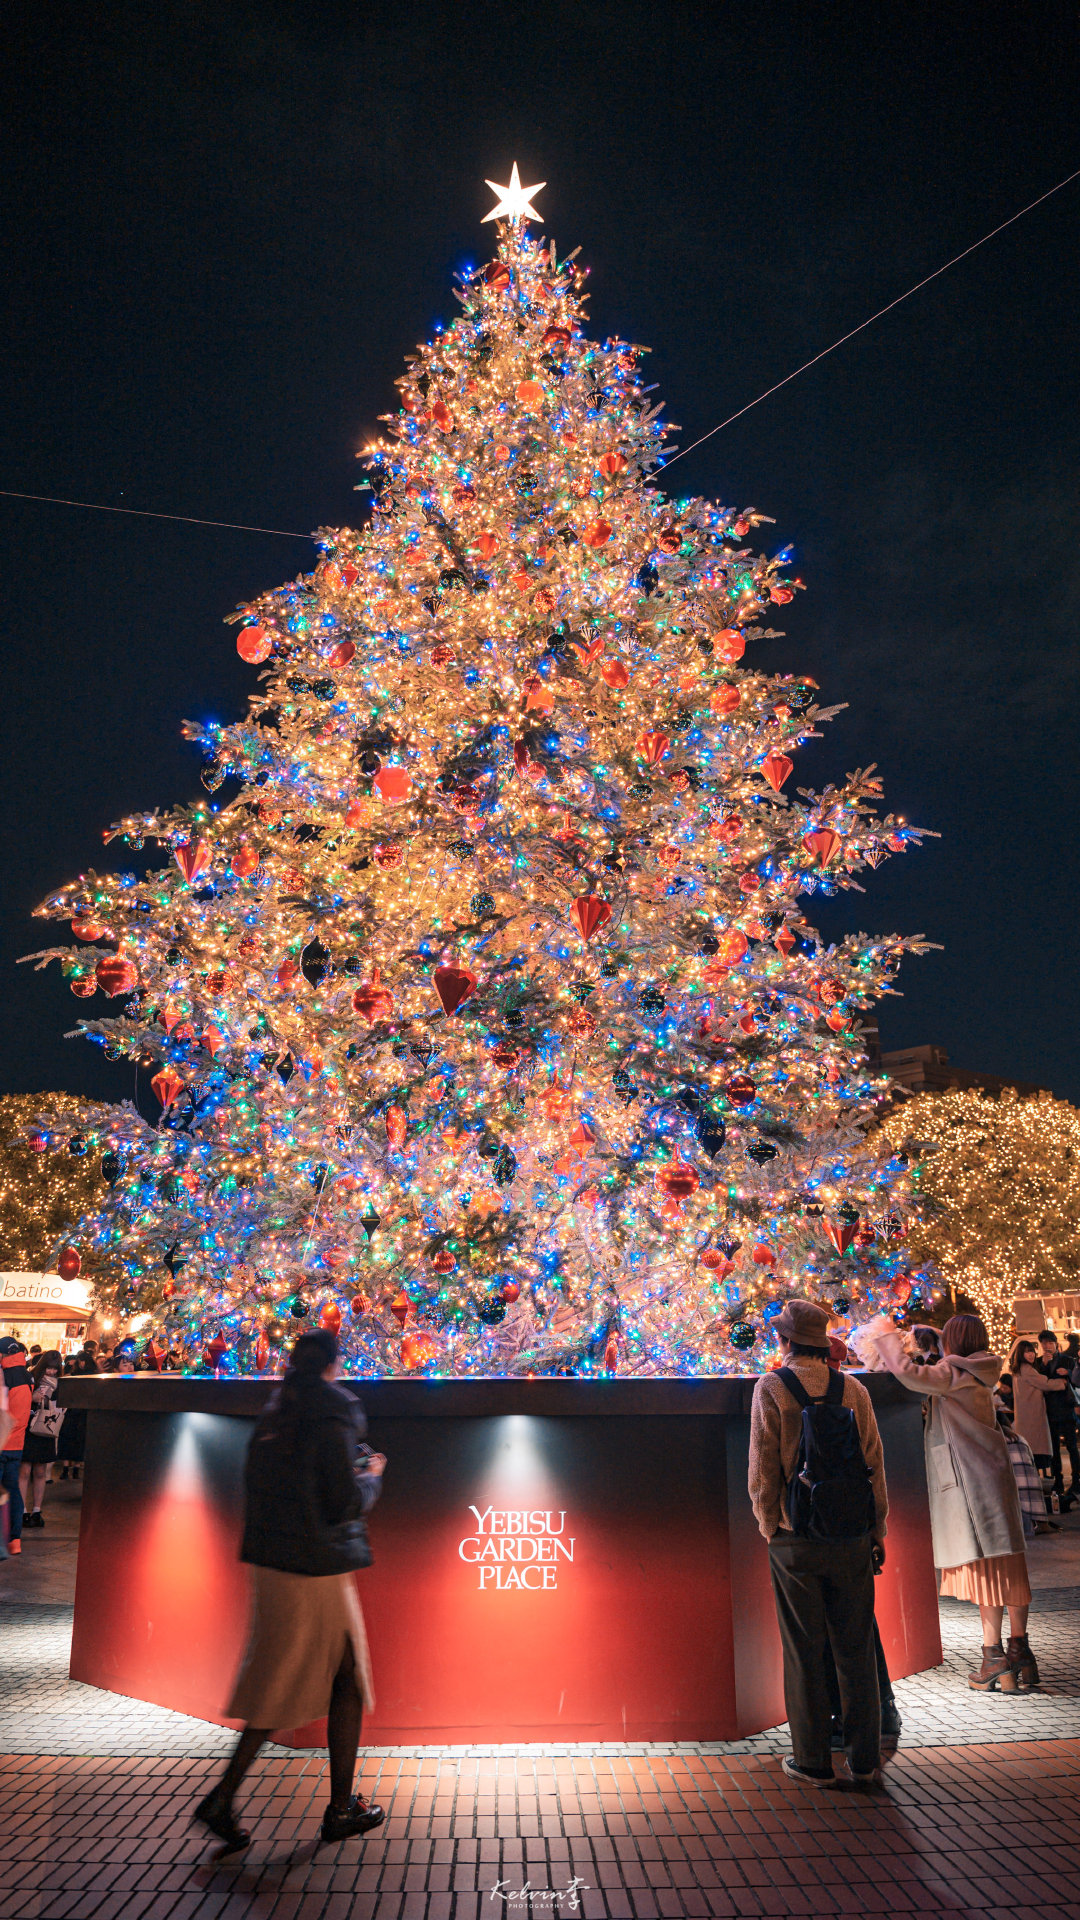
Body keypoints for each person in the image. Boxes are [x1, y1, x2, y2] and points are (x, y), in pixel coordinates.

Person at [193, 1329, 386, 1851]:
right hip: (316, 1566)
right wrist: (372, 1476)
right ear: (333, 1364)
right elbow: (342, 1501)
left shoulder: (277, 1410)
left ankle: (237, 1799)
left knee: (294, 1678)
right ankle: (330, 1808)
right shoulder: (334, 1410)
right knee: (327, 1678)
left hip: (273, 1561)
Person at [749, 1298, 888, 1787]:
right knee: (855, 1648)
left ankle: (812, 1761)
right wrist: (876, 1528)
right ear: (822, 1343)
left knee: (803, 1650)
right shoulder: (853, 1389)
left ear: (785, 1341)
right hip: (850, 1535)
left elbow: (763, 1470)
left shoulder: (772, 1387)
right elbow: (873, 1463)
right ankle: (864, 1760)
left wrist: (771, 1525)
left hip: (796, 1538)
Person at [867, 1313, 1037, 1691]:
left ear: (955, 1342)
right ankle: (1020, 1651)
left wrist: (885, 1336)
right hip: (994, 1475)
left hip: (973, 1482)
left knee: (987, 1569)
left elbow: (908, 1373)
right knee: (1010, 1564)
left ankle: (993, 1658)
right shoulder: (982, 1369)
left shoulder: (953, 1373)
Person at [1006, 1338, 1067, 1494]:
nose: (1031, 1354)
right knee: (1035, 1453)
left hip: (1026, 1416)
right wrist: (1062, 1383)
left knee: (1031, 1454)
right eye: (1027, 1352)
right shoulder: (1027, 1369)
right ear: (1021, 1354)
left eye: (1032, 1351)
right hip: (1032, 1417)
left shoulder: (1018, 1370)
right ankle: (1036, 1489)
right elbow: (1044, 1383)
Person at [20, 1351, 65, 1528]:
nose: (52, 1372)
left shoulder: (60, 1384)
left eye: (55, 1369)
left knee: (40, 1471)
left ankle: (37, 1511)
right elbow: (19, 1400)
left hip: (46, 1428)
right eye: (49, 1368)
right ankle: (22, 1511)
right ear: (42, 1366)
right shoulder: (30, 1378)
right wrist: (32, 1398)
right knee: (24, 1471)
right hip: (29, 1428)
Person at [1036, 1331, 1080, 1511]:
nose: (1047, 1346)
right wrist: (1044, 1366)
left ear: (1056, 1344)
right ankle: (1058, 1481)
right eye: (1044, 1343)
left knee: (1072, 1447)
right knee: (1053, 1448)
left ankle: (1076, 1480)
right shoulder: (1039, 1362)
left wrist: (1068, 1372)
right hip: (1049, 1411)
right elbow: (1039, 1383)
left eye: (1050, 1343)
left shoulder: (1067, 1360)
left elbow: (1076, 1381)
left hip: (1066, 1409)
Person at [0, 1338, 32, 1556]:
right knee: (13, 1490)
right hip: (17, 1444)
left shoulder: (4, 1376)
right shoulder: (27, 1376)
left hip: (2, 1442)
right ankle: (15, 1540)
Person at [57, 1342, 97, 1480]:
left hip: (72, 1411)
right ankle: (76, 1469)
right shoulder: (94, 1377)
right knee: (80, 1441)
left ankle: (65, 1469)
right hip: (85, 1412)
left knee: (68, 1440)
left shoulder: (73, 1376)